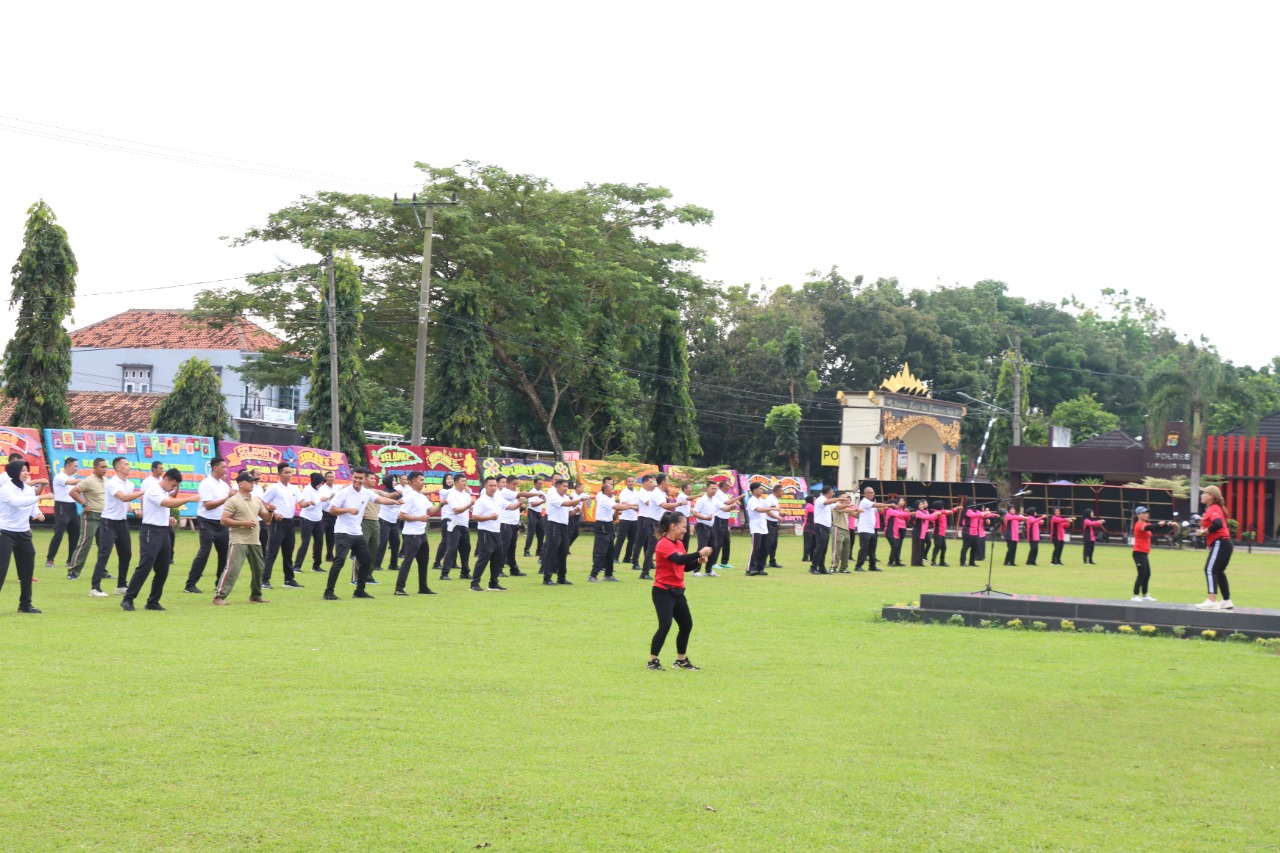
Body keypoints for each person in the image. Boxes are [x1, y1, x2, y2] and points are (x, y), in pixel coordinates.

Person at [120, 467, 199, 611]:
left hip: (163, 531)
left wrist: (168, 519)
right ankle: (128, 598)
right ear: (166, 479)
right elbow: (166, 503)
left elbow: (159, 508)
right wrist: (190, 499)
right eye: (173, 485)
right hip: (151, 530)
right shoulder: (153, 490)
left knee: (163, 568)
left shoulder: (164, 492)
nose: (174, 488)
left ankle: (153, 601)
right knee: (145, 565)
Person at [647, 511, 712, 670]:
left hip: (678, 592)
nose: (685, 530)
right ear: (673, 526)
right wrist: (698, 553)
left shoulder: (679, 544)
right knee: (665, 625)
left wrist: (698, 561)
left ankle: (680, 660)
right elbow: (678, 559)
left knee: (686, 624)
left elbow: (683, 566)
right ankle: (652, 661)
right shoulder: (663, 544)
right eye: (684, 527)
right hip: (663, 591)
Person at [324, 467, 402, 600]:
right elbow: (331, 509)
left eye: (360, 478)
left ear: (364, 479)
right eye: (356, 477)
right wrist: (348, 510)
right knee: (339, 561)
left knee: (366, 561)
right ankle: (328, 592)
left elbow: (380, 500)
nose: (358, 480)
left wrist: (395, 501)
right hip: (343, 532)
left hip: (357, 532)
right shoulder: (344, 492)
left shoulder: (366, 492)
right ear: (352, 477)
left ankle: (359, 591)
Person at [213, 470, 274, 605]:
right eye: (250, 481)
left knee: (259, 568)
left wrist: (270, 511)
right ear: (241, 484)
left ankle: (256, 595)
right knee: (232, 569)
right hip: (238, 540)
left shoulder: (256, 500)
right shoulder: (233, 500)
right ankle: (219, 596)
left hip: (254, 540)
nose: (253, 484)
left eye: (253, 481)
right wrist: (243, 523)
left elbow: (266, 519)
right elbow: (224, 520)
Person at [91, 457, 143, 597]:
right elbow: (124, 497)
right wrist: (143, 492)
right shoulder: (112, 483)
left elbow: (126, 503)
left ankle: (121, 585)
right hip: (109, 522)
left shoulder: (129, 484)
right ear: (118, 468)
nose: (129, 466)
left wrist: (133, 510)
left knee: (126, 554)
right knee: (104, 554)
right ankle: (95, 588)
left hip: (122, 522)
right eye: (126, 464)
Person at [0, 459, 45, 613]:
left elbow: (32, 507)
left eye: (27, 470)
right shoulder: (6, 488)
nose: (26, 473)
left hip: (24, 533)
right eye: (22, 470)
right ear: (14, 472)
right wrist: (41, 497)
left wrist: (38, 513)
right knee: (1, 569)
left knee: (27, 570)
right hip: (4, 532)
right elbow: (16, 502)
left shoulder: (28, 489)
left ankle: (25, 604)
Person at [184, 456, 232, 594]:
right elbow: (208, 505)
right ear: (215, 467)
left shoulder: (223, 485)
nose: (225, 469)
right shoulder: (206, 483)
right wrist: (226, 498)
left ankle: (220, 583)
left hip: (221, 522)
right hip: (207, 521)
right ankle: (190, 584)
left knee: (224, 554)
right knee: (205, 551)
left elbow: (227, 503)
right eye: (223, 467)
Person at [470, 476, 517, 592]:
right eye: (491, 485)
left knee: (498, 557)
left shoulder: (498, 498)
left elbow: (510, 507)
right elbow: (475, 516)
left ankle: (493, 583)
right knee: (484, 557)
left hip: (497, 531)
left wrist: (520, 502)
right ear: (485, 486)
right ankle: (474, 583)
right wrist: (490, 517)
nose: (493, 488)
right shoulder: (481, 500)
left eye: (495, 485)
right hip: (485, 531)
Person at [394, 471, 436, 595]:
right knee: (408, 561)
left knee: (423, 562)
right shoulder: (410, 496)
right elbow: (402, 515)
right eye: (421, 480)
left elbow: (432, 511)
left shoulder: (422, 497)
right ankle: (399, 588)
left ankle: (423, 587)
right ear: (413, 482)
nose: (423, 482)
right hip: (411, 534)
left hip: (421, 533)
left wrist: (442, 504)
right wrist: (419, 518)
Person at [262, 463, 302, 589]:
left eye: (290, 472)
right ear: (279, 474)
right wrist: (273, 513)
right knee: (272, 552)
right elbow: (262, 502)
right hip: (278, 522)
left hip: (290, 522)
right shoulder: (274, 488)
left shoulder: (294, 489)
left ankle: (289, 580)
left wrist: (316, 501)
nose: (289, 475)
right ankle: (264, 580)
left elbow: (302, 502)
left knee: (288, 552)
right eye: (286, 472)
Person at [68, 457, 108, 581]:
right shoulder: (89, 481)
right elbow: (73, 491)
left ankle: (102, 570)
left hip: (104, 516)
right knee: (85, 543)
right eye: (102, 467)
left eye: (106, 467)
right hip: (91, 516)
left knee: (104, 545)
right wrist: (84, 504)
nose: (104, 469)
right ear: (95, 468)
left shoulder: (106, 480)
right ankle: (73, 571)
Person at [1195, 485, 1234, 610]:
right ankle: (1226, 601)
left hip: (1220, 542)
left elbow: (1218, 524)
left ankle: (1212, 600)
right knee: (1219, 572)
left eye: (1204, 493)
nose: (1202, 495)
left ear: (1211, 496)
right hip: (1226, 543)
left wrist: (1203, 532)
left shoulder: (1213, 508)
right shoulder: (1216, 508)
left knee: (1210, 569)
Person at [542, 477, 585, 585]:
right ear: (557, 486)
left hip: (564, 526)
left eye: (567, 486)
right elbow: (566, 504)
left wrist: (576, 510)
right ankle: (547, 577)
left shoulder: (565, 497)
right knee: (552, 551)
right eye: (564, 486)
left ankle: (561, 577)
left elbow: (570, 513)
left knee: (563, 551)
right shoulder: (553, 496)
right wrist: (580, 499)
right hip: (554, 525)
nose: (566, 488)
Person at [46, 457, 82, 570]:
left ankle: (71, 559)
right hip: (61, 506)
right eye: (75, 466)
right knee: (59, 532)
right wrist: (85, 481)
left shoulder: (73, 478)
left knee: (75, 532)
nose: (77, 468)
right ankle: (50, 559)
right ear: (68, 466)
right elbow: (71, 482)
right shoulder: (59, 477)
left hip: (72, 506)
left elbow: (78, 489)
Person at [1130, 506, 1172, 602]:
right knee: (1141, 574)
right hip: (1138, 553)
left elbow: (1155, 527)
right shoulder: (1139, 524)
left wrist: (1168, 524)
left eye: (1147, 513)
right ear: (1138, 515)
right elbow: (1150, 527)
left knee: (1147, 574)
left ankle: (1144, 595)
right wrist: (1160, 523)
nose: (1146, 514)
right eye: (1143, 513)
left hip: (1144, 553)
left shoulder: (1146, 523)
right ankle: (1135, 595)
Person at [439, 473, 476, 581]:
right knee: (451, 549)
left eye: (465, 481)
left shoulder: (466, 494)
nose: (465, 483)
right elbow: (456, 510)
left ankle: (465, 572)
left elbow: (472, 508)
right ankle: (444, 573)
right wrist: (469, 505)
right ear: (456, 482)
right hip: (454, 524)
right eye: (463, 481)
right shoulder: (452, 494)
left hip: (464, 524)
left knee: (466, 549)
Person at [293, 472, 327, 576]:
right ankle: (297, 566)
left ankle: (316, 566)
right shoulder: (307, 490)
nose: (322, 485)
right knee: (305, 542)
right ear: (316, 481)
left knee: (319, 542)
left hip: (318, 519)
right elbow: (307, 506)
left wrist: (326, 500)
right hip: (307, 519)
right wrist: (319, 500)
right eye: (321, 482)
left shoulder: (319, 490)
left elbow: (320, 505)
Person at [745, 483, 780, 576]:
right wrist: (772, 508)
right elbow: (759, 509)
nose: (761, 490)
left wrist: (774, 508)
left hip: (764, 528)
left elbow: (769, 506)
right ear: (754, 490)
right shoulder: (752, 500)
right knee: (756, 548)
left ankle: (760, 568)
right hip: (756, 528)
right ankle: (750, 569)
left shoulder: (761, 500)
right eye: (760, 489)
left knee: (765, 548)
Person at [589, 477, 620, 582]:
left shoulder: (610, 499)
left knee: (611, 550)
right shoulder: (603, 498)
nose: (613, 491)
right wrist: (632, 507)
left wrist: (617, 511)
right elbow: (618, 506)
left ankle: (608, 574)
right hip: (601, 525)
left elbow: (613, 517)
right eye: (611, 489)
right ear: (606, 490)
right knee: (601, 551)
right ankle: (593, 575)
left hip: (609, 525)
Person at [373, 474, 404, 574]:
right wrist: (396, 501)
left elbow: (402, 502)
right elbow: (387, 501)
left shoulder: (396, 492)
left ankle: (393, 564)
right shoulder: (385, 492)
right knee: (382, 542)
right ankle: (376, 564)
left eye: (396, 480)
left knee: (396, 542)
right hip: (384, 520)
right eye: (393, 480)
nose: (395, 482)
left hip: (394, 521)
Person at [636, 474, 665, 577]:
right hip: (647, 519)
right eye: (650, 482)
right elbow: (661, 505)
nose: (652, 484)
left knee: (652, 545)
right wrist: (679, 504)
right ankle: (641, 568)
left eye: (653, 482)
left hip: (657, 521)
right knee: (644, 543)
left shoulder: (655, 493)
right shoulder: (644, 493)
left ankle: (649, 566)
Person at [854, 487, 889, 571]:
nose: (872, 494)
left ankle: (872, 565)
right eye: (870, 492)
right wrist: (887, 504)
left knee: (872, 548)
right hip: (864, 529)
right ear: (865, 494)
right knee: (864, 548)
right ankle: (858, 566)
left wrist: (882, 506)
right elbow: (876, 505)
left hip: (871, 529)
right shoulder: (864, 502)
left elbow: (879, 511)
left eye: (873, 492)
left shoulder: (871, 503)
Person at [709, 484, 741, 570]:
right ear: (722, 486)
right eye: (727, 485)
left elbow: (729, 503)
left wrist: (734, 503)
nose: (729, 487)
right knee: (718, 541)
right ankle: (713, 562)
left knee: (727, 541)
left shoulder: (725, 495)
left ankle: (724, 562)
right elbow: (727, 503)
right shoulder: (719, 493)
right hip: (718, 519)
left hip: (725, 519)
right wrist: (739, 497)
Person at [810, 486, 841, 574]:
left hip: (826, 527)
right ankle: (813, 567)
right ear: (828, 492)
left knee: (824, 548)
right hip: (820, 526)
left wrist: (848, 505)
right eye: (832, 492)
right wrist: (838, 499)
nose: (833, 494)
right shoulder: (821, 499)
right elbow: (826, 502)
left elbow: (837, 507)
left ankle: (821, 568)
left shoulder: (828, 502)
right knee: (820, 547)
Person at [613, 476, 640, 568]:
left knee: (632, 539)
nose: (631, 483)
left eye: (632, 481)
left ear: (634, 482)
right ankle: (615, 557)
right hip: (625, 518)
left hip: (634, 518)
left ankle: (627, 557)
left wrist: (631, 505)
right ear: (626, 482)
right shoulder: (624, 493)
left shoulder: (637, 492)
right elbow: (624, 504)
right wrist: (633, 506)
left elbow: (638, 504)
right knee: (621, 538)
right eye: (629, 481)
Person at [432, 472, 455, 572]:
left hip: (454, 518)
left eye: (451, 479)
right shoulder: (444, 491)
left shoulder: (455, 491)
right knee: (445, 541)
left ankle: (453, 562)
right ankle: (437, 562)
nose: (450, 480)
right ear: (444, 481)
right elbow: (449, 493)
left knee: (455, 541)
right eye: (448, 479)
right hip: (446, 518)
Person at [830, 493, 855, 573]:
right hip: (838, 528)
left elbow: (852, 514)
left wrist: (859, 512)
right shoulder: (837, 505)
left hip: (846, 529)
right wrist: (854, 508)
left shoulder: (845, 506)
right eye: (844, 498)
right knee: (837, 549)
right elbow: (845, 510)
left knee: (846, 550)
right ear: (840, 498)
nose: (846, 499)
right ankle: (833, 567)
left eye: (847, 497)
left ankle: (843, 567)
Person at [523, 475, 547, 560]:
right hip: (532, 512)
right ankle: (526, 550)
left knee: (541, 532)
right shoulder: (532, 492)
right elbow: (532, 504)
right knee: (531, 532)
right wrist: (542, 501)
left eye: (542, 483)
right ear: (535, 484)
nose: (541, 485)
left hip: (539, 513)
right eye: (540, 483)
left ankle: (539, 550)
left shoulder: (542, 492)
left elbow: (547, 498)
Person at [910, 499, 937, 567]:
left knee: (921, 548)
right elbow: (927, 517)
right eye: (920, 504)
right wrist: (935, 513)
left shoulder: (923, 511)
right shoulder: (918, 512)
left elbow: (930, 518)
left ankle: (920, 562)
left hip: (922, 533)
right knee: (917, 548)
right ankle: (915, 563)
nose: (922, 505)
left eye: (922, 504)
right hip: (917, 532)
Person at [884, 498, 911, 567]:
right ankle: (890, 562)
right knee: (895, 546)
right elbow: (900, 514)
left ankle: (896, 561)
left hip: (895, 531)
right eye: (895, 504)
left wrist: (907, 513)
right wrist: (910, 513)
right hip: (890, 531)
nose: (896, 505)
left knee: (896, 546)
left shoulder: (894, 510)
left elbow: (903, 516)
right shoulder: (890, 510)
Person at [765, 484, 785, 568]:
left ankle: (772, 561)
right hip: (769, 522)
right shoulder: (769, 499)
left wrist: (781, 514)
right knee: (768, 543)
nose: (782, 493)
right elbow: (768, 512)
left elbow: (774, 511)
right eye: (781, 491)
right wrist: (778, 517)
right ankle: (763, 561)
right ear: (777, 491)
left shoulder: (776, 499)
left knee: (774, 543)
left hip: (774, 523)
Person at [321, 470, 338, 561]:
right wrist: (328, 499)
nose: (332, 478)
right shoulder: (322, 489)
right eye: (330, 477)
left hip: (333, 514)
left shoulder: (336, 488)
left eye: (333, 477)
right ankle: (317, 556)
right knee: (320, 536)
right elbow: (321, 504)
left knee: (331, 537)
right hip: (324, 514)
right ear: (326, 478)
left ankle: (330, 556)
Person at [928, 501, 950, 567]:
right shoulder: (936, 513)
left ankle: (942, 561)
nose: (943, 507)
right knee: (937, 547)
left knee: (944, 548)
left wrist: (956, 509)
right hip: (937, 532)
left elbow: (949, 511)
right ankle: (933, 561)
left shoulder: (942, 512)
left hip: (942, 533)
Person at [801, 495, 815, 564]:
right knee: (808, 544)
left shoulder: (811, 505)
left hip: (812, 527)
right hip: (808, 527)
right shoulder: (809, 506)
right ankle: (805, 557)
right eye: (814, 499)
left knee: (813, 543)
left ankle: (812, 557)